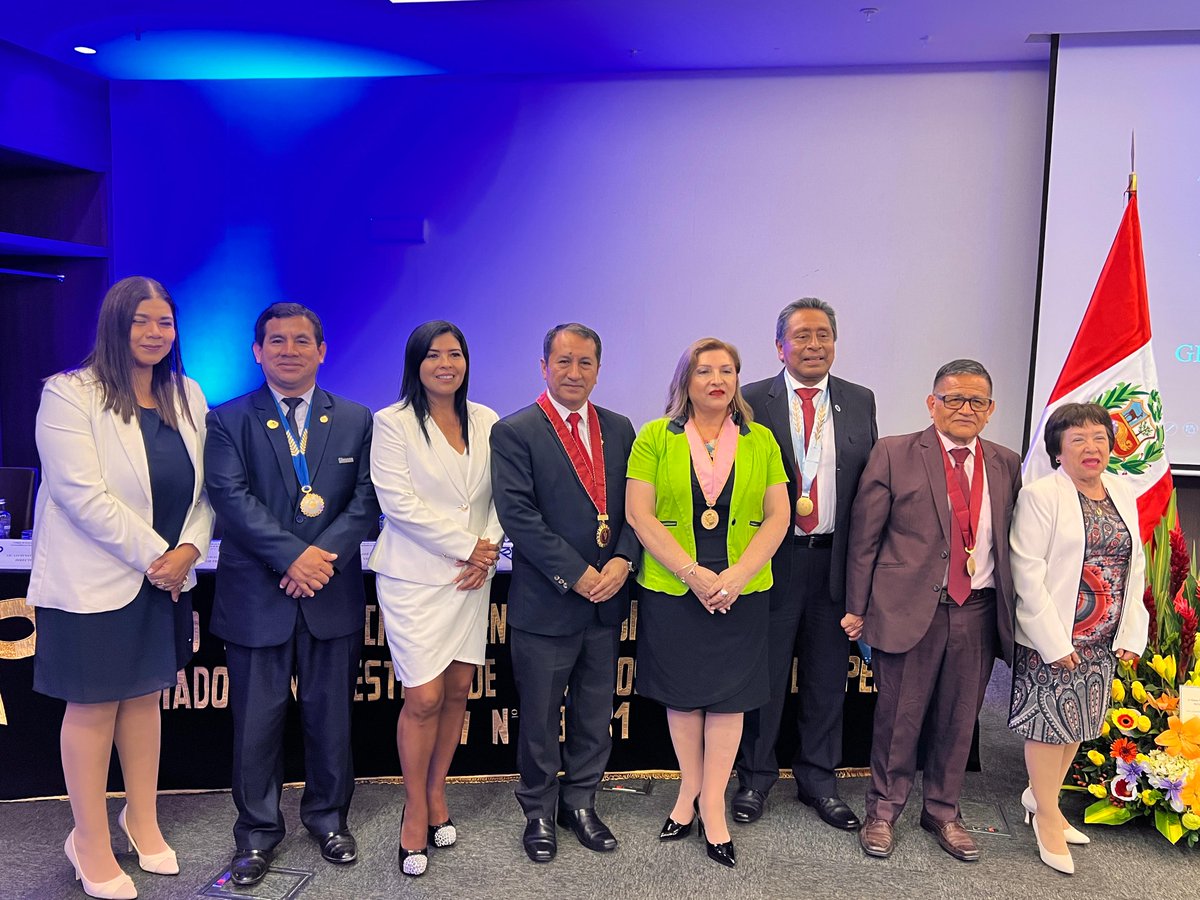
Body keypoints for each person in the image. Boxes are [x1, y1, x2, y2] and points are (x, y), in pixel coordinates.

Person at [28, 276, 214, 899]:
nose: (156, 333)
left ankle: (142, 819)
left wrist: (189, 550)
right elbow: (81, 495)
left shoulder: (188, 393)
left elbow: (206, 489)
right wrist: (161, 557)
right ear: (114, 323)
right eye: (142, 321)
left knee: (144, 700)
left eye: (165, 322)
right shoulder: (69, 393)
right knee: (93, 707)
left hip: (165, 578)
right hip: (95, 579)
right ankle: (88, 840)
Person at [204, 303, 379, 887]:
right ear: (257, 351)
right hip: (258, 595)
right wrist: (292, 558)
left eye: (302, 341)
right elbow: (230, 499)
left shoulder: (355, 419)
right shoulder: (227, 419)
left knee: (331, 719)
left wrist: (318, 560)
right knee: (256, 725)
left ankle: (329, 820)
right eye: (276, 341)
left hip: (330, 592)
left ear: (321, 351)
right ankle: (256, 834)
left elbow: (367, 500)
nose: (289, 350)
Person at [843, 359, 1021, 862]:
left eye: (977, 401)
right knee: (898, 718)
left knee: (959, 719)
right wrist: (856, 607)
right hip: (908, 609)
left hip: (978, 611)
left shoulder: (1006, 463)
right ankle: (883, 810)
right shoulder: (894, 453)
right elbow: (864, 539)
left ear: (990, 410)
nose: (965, 408)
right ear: (932, 403)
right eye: (954, 398)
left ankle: (943, 810)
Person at [626, 338, 790, 869]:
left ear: (737, 380)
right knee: (683, 695)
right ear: (686, 380)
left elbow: (779, 515)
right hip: (676, 587)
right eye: (704, 371)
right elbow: (639, 514)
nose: (716, 380)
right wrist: (693, 574)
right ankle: (687, 793)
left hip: (741, 589)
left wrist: (738, 575)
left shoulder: (760, 439)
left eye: (726, 371)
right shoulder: (655, 436)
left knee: (728, 700)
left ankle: (713, 805)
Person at [490, 323, 639, 864]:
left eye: (585, 363)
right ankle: (537, 810)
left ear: (598, 369)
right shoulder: (515, 431)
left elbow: (636, 507)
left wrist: (623, 559)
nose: (574, 373)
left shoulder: (620, 429)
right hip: (548, 602)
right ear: (544, 366)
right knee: (539, 716)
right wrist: (576, 574)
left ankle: (581, 803)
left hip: (606, 601)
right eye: (564, 362)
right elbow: (519, 516)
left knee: (594, 713)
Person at [733, 298, 877, 830]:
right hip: (770, 560)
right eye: (801, 336)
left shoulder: (859, 400)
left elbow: (868, 489)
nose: (814, 345)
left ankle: (819, 780)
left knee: (826, 677)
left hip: (834, 561)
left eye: (823, 335)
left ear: (835, 343)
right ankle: (754, 778)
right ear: (780, 347)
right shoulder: (750, 400)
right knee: (764, 677)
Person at [368, 321, 503, 877]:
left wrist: (485, 551)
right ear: (415, 363)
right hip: (416, 579)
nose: (445, 364)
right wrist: (468, 547)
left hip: (473, 578)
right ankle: (414, 809)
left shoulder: (487, 420)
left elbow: (501, 495)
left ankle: (437, 792)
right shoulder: (392, 422)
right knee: (423, 697)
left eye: (455, 354)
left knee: (456, 692)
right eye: (433, 355)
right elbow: (398, 504)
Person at [1007, 402, 1147, 874]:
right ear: (1058, 450)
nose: (1092, 447)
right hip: (1057, 634)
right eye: (1079, 439)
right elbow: (1027, 574)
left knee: (1079, 726)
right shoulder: (1041, 495)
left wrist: (1132, 629)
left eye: (1100, 437)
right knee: (1050, 728)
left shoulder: (1122, 490)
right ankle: (1047, 816)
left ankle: (1040, 797)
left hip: (1103, 636)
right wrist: (1054, 642)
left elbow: (1134, 567)